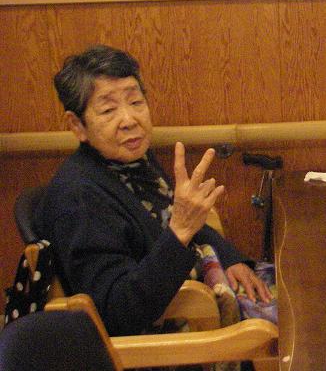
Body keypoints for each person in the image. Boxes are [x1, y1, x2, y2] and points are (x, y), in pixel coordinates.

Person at [34, 45, 270, 336]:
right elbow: (118, 313)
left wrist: (231, 258)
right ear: (77, 125)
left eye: (135, 102)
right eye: (108, 110)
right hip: (162, 342)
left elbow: (184, 221)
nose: (129, 120)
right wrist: (180, 230)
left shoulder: (131, 160)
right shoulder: (79, 198)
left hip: (199, 300)